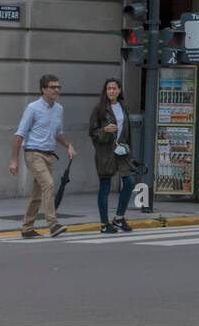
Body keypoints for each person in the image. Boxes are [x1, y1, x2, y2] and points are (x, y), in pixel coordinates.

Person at [11, 74, 76, 238]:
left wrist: (68, 146)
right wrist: (14, 160)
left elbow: (58, 133)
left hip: (49, 155)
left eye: (58, 87)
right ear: (43, 89)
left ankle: (27, 228)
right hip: (33, 154)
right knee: (49, 184)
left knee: (37, 194)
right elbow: (19, 135)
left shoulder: (59, 109)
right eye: (53, 87)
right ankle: (53, 224)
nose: (56, 90)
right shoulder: (33, 108)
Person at [89, 78, 136, 234]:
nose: (111, 91)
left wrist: (129, 151)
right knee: (105, 187)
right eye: (109, 88)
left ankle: (119, 218)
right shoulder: (99, 108)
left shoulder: (123, 107)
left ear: (119, 90)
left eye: (114, 88)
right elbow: (92, 132)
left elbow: (128, 132)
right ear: (105, 90)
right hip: (106, 152)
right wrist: (104, 130)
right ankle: (104, 224)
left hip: (122, 151)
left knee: (129, 182)